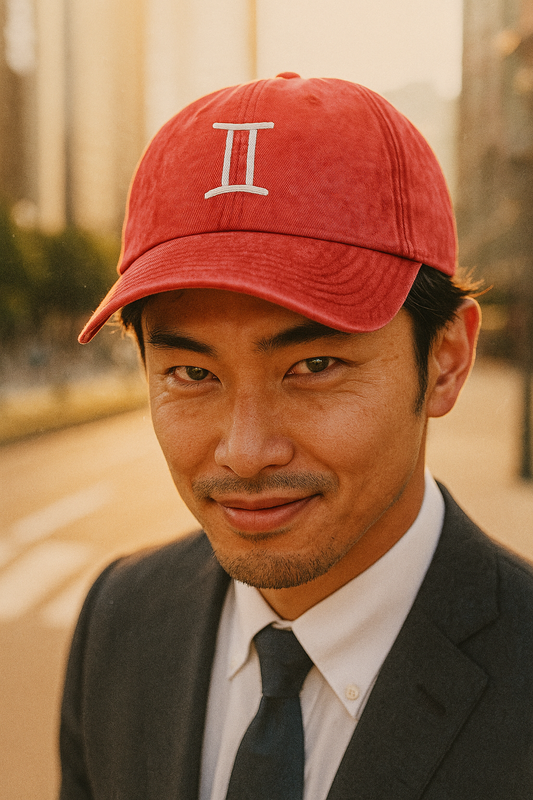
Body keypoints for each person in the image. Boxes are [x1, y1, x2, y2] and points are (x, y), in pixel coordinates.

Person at [60, 74, 533, 800]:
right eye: (191, 372)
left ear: (444, 362)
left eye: (314, 366)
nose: (245, 452)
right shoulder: (121, 621)